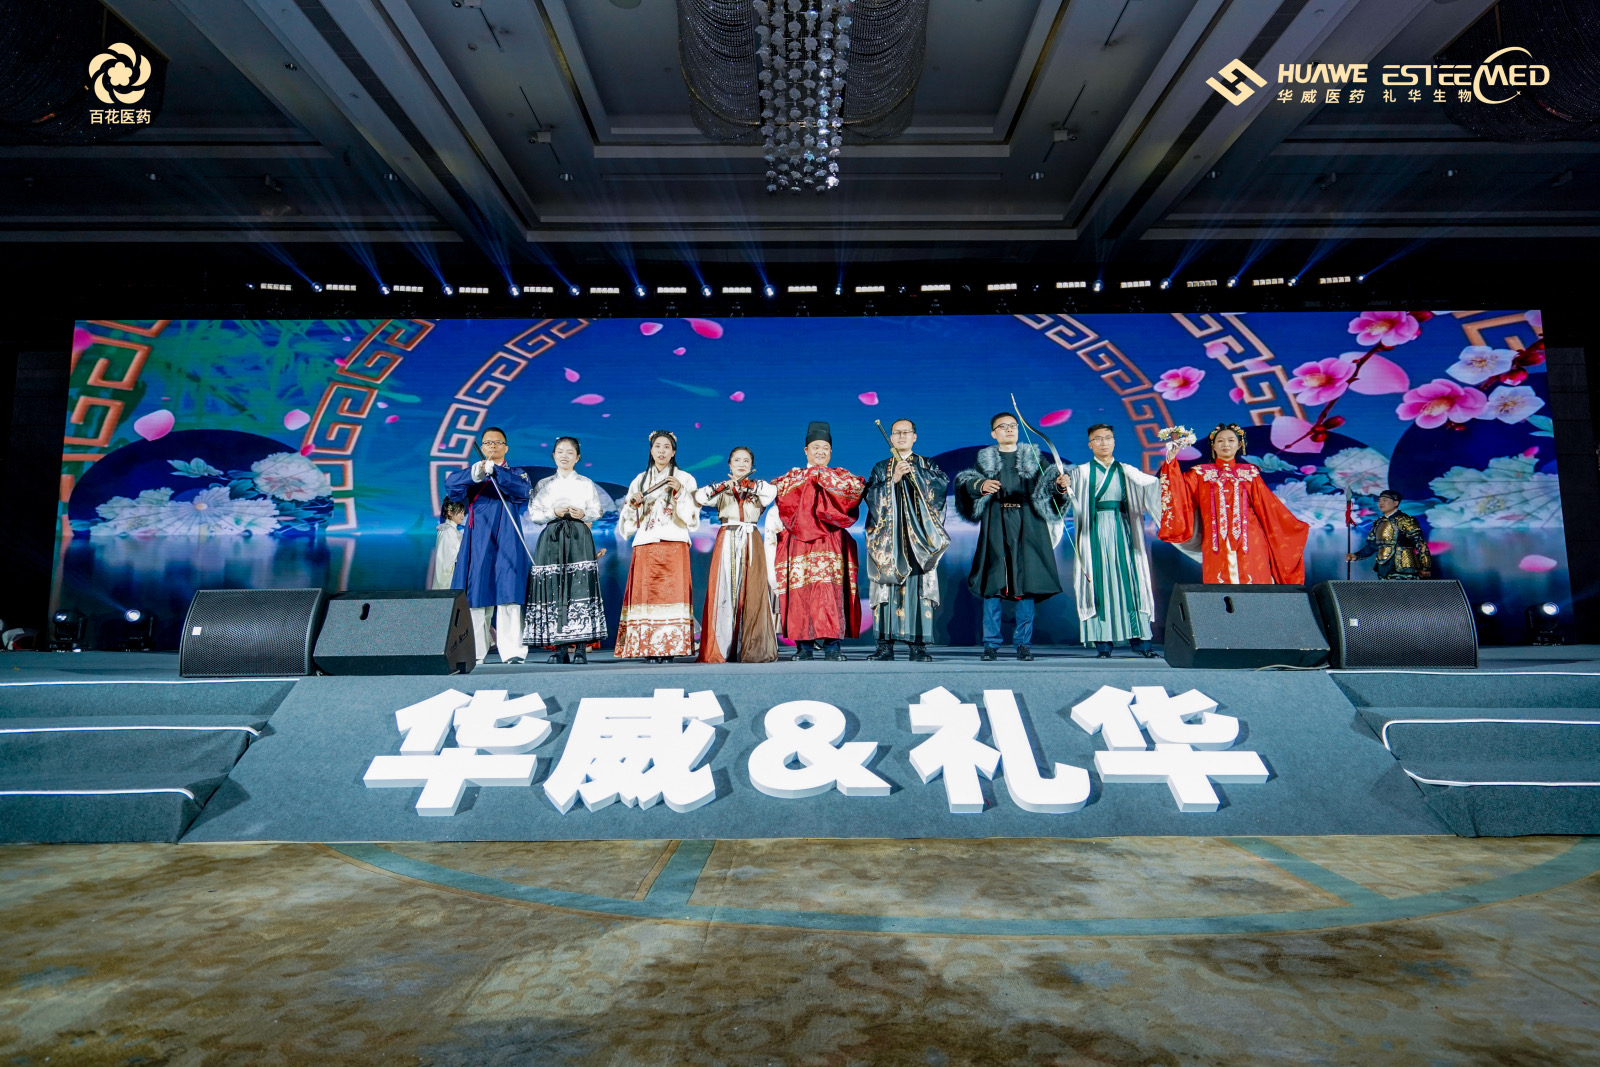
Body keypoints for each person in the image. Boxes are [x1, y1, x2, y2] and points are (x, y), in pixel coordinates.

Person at [955, 412, 1069, 661]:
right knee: (993, 583)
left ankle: (1023, 644)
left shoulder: (1034, 456)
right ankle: (990, 643)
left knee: (1027, 584)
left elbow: (1051, 486)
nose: (1009, 429)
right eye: (1003, 426)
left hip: (1029, 523)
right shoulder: (985, 459)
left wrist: (1060, 485)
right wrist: (980, 486)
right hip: (996, 521)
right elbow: (966, 483)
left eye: (1013, 425)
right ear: (993, 433)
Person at [1158, 422, 1309, 585]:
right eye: (1220, 441)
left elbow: (1268, 506)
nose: (1226, 444)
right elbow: (1178, 491)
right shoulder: (1200, 473)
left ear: (1239, 445)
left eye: (1231, 440)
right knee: (1220, 586)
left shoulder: (1249, 473)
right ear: (1213, 446)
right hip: (1215, 542)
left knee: (1255, 584)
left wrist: (1294, 527)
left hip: (1251, 541)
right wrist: (1171, 461)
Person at [768, 421, 866, 661]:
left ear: (831, 451)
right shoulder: (793, 478)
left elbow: (854, 492)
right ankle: (804, 646)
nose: (820, 452)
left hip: (830, 541)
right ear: (806, 450)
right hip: (799, 543)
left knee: (830, 591)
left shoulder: (840, 477)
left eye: (825, 448)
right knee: (800, 592)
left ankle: (833, 646)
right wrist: (811, 478)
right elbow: (776, 493)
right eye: (815, 447)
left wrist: (822, 477)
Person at [1065, 423, 1162, 658]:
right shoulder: (1081, 472)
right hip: (1095, 532)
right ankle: (1103, 645)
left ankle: (1141, 643)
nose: (1104, 442)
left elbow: (1153, 486)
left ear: (1114, 441)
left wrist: (1170, 464)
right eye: (1098, 439)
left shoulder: (1127, 470)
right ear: (1090, 444)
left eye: (1108, 438)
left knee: (1132, 582)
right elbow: (1063, 497)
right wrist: (1061, 486)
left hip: (1123, 530)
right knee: (1099, 584)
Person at [444, 426, 533, 665]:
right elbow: (452, 488)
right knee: (476, 594)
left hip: (508, 536)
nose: (492, 445)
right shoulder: (474, 475)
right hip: (478, 537)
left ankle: (513, 651)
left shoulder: (517, 473)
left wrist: (497, 472)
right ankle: (476, 651)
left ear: (506, 447)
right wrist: (476, 474)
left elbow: (523, 491)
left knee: (509, 593)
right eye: (487, 443)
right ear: (481, 447)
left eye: (497, 442)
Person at [863, 418, 949, 662]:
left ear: (914, 437)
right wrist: (893, 480)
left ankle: (918, 645)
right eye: (896, 433)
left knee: (918, 587)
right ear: (891, 438)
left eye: (906, 432)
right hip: (888, 539)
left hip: (918, 539)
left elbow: (940, 487)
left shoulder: (926, 464)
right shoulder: (881, 467)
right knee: (887, 587)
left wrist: (915, 473)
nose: (901, 436)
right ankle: (884, 645)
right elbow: (870, 495)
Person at [615, 430, 699, 662]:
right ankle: (647, 647)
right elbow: (628, 520)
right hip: (646, 543)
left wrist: (680, 492)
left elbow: (692, 516)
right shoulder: (640, 480)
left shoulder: (685, 478)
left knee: (672, 596)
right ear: (651, 450)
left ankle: (670, 647)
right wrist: (634, 505)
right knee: (647, 596)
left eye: (666, 447)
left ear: (673, 452)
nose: (661, 451)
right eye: (657, 447)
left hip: (674, 542)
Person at [524, 436, 608, 664]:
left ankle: (580, 648)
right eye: (560, 451)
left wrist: (584, 514)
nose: (565, 456)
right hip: (552, 536)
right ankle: (559, 648)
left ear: (577, 457)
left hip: (579, 536)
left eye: (570, 452)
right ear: (553, 455)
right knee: (554, 588)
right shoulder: (543, 484)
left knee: (580, 587)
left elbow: (597, 510)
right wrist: (554, 512)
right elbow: (535, 515)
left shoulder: (586, 483)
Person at [694, 446, 780, 663]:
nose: (741, 464)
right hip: (727, 537)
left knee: (752, 589)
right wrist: (725, 485)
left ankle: (749, 648)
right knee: (725, 588)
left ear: (752, 466)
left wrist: (748, 485)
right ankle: (723, 647)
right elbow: (700, 497)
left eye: (746, 461)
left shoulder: (759, 488)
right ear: (730, 465)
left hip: (751, 538)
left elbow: (772, 494)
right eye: (737, 460)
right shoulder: (721, 489)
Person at [1347, 489, 1432, 580]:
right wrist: (1356, 556)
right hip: (1383, 568)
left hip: (1404, 567)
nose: (1381, 503)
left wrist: (1425, 566)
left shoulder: (1406, 520)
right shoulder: (1378, 523)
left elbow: (1420, 543)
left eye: (1385, 500)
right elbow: (1372, 546)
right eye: (1379, 501)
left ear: (1396, 503)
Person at [430, 500, 465, 591]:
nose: (462, 516)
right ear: (450, 512)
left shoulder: (444, 529)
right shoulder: (450, 531)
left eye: (463, 513)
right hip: (449, 576)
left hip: (442, 572)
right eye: (460, 513)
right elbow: (452, 556)